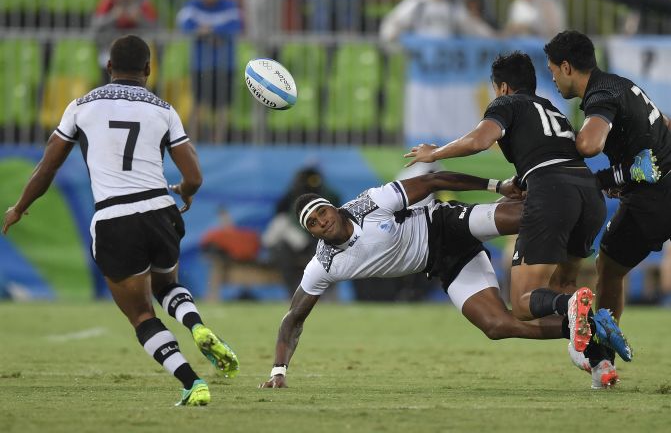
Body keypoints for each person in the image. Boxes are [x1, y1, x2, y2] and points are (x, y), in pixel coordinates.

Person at [1, 35, 239, 406]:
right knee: (166, 285)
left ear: (109, 67)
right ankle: (197, 325)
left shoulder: (81, 106)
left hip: (115, 216)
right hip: (161, 211)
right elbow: (193, 176)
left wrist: (18, 207)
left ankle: (192, 383)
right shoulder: (164, 109)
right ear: (148, 69)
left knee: (142, 314)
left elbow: (49, 165)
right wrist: (186, 192)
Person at [258, 170, 627, 388]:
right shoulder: (323, 264)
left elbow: (435, 179)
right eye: (313, 223)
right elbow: (293, 319)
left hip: (446, 223)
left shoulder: (371, 202)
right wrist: (278, 369)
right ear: (311, 233)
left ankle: (594, 189)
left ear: (332, 206)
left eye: (321, 212)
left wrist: (497, 184)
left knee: (529, 214)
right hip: (443, 264)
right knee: (497, 325)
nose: (322, 221)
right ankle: (581, 331)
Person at [403, 51, 632, 388]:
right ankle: (601, 367)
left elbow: (480, 140)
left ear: (504, 87)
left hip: (552, 194)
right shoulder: (553, 110)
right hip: (588, 194)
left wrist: (433, 153)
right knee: (562, 289)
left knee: (525, 304)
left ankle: (579, 309)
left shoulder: (507, 104)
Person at [543, 29, 671, 384]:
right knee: (610, 264)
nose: (552, 77)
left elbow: (589, 144)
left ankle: (602, 360)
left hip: (654, 198)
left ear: (567, 67)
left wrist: (562, 147)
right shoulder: (624, 85)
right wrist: (625, 173)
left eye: (553, 69)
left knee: (609, 267)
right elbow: (664, 124)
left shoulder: (600, 96)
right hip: (657, 181)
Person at [176, 0, 243, 143]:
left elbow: (236, 25)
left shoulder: (229, 4)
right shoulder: (192, 5)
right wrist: (203, 32)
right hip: (200, 65)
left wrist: (211, 31)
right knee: (198, 104)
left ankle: (218, 142)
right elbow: (184, 24)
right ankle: (191, 142)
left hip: (225, 64)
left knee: (223, 106)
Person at [262, 165, 341, 296]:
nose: (308, 184)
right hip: (294, 242)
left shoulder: (326, 196)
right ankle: (293, 294)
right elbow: (279, 210)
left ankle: (326, 295)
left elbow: (335, 208)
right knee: (280, 230)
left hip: (317, 239)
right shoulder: (293, 194)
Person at [379, 0, 495, 47]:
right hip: (420, 70)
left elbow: (472, 27)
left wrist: (494, 37)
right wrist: (393, 42)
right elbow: (392, 23)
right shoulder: (419, 3)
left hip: (443, 72)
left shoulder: (452, 7)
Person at [91, 0, 158, 83]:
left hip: (138, 52)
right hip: (110, 50)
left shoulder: (144, 3)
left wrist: (140, 19)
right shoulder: (109, 2)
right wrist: (113, 16)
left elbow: (156, 27)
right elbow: (95, 26)